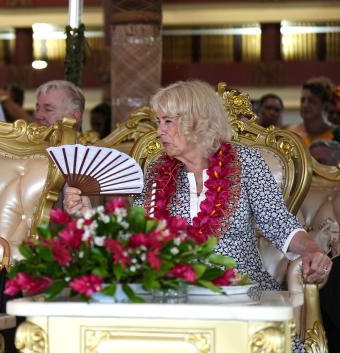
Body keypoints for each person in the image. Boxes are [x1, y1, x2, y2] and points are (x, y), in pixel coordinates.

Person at [65, 80, 331, 289]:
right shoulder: (159, 172)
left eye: (168, 121)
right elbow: (136, 238)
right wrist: (87, 216)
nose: (159, 131)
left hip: (238, 290)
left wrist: (313, 250)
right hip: (171, 290)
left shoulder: (245, 162)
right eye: (159, 122)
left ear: (198, 122)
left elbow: (280, 225)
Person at [287, 80, 334, 147]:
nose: (305, 105)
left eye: (311, 101)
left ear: (324, 105)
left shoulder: (336, 135)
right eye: (302, 100)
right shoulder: (291, 134)